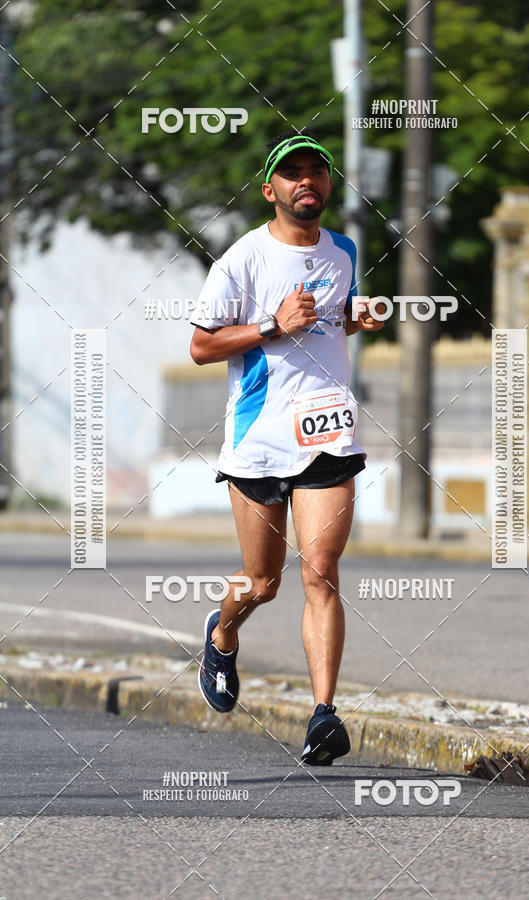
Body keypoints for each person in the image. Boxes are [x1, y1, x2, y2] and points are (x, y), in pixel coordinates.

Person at [189, 129, 383, 765]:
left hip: (328, 434)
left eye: (316, 171)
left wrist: (358, 318)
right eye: (292, 173)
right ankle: (222, 635)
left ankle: (324, 715)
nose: (307, 181)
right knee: (263, 582)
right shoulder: (241, 259)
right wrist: (273, 323)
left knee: (320, 569)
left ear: (328, 184)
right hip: (259, 441)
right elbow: (201, 346)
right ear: (268, 189)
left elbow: (333, 318)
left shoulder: (344, 250)